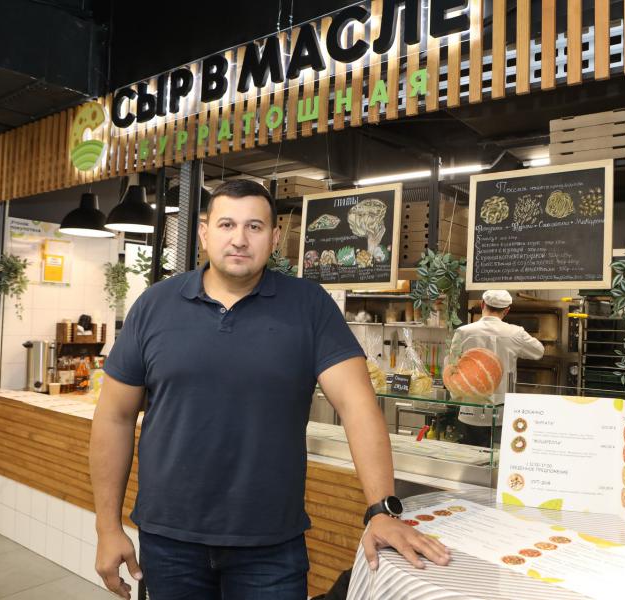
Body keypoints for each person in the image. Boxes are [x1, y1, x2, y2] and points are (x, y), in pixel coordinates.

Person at [89, 180, 449, 600]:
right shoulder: (154, 306)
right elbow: (114, 417)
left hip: (271, 547)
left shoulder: (309, 306)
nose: (239, 239)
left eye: (254, 227)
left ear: (275, 238)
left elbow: (358, 406)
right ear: (204, 233)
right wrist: (107, 527)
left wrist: (381, 509)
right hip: (169, 541)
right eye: (227, 224)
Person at [450, 290, 544, 446]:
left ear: (482, 305)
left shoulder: (463, 332)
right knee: (500, 456)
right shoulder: (516, 333)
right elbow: (539, 351)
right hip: (503, 412)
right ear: (506, 310)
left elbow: (451, 368)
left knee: (472, 457)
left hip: (470, 411)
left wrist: (456, 397)